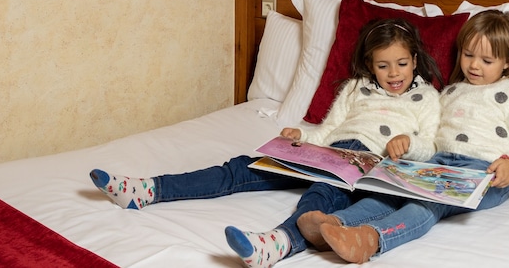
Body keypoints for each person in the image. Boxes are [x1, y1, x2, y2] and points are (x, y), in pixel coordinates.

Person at [90, 18, 443, 267]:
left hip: (367, 162)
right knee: (242, 168)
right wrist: (300, 136)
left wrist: (407, 143)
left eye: (401, 63)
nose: (393, 73)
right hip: (329, 151)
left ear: (414, 60)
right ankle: (148, 189)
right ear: (370, 65)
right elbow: (328, 130)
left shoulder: (426, 97)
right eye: (383, 66)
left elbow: (430, 144)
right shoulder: (355, 88)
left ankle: (277, 243)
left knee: (321, 195)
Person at [298, 9, 509, 264]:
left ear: (507, 61)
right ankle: (334, 224)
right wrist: (410, 145)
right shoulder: (450, 93)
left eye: (487, 60)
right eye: (468, 55)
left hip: (483, 174)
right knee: (390, 193)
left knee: (427, 203)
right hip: (438, 164)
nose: (474, 65)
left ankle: (373, 238)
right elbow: (431, 139)